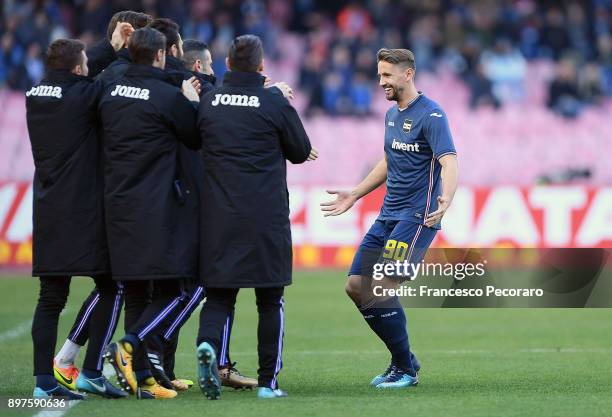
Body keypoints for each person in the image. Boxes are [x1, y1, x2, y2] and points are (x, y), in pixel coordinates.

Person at [320, 48, 458, 389]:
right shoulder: (392, 115)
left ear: (407, 75)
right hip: (387, 215)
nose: (381, 82)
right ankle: (405, 359)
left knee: (381, 285)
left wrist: (447, 198)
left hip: (416, 217)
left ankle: (404, 368)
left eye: (387, 76)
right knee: (355, 286)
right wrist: (355, 193)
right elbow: (388, 160)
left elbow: (449, 161)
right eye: (380, 75)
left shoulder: (432, 115)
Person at [195, 34, 317, 400]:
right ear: (262, 68)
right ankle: (267, 383)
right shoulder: (273, 101)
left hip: (218, 216)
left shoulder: (209, 100)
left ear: (227, 65)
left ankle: (208, 347)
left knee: (218, 297)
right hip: (266, 217)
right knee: (270, 300)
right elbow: (300, 151)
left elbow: (191, 137)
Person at [26, 34, 131, 400]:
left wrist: (106, 47)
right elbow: (103, 83)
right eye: (84, 63)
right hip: (85, 213)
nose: (89, 67)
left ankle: (43, 381)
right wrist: (120, 50)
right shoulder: (83, 97)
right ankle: (90, 371)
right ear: (76, 68)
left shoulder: (36, 94)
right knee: (110, 287)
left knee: (50, 298)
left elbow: (79, 76)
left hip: (49, 209)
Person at [52, 11, 152, 389]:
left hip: (111, 192)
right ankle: (78, 360)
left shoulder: (109, 77)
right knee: (116, 283)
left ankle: (86, 360)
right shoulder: (111, 78)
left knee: (118, 283)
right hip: (112, 195)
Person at [99, 27, 200, 400]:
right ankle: (130, 343)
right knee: (176, 289)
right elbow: (194, 137)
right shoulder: (166, 96)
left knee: (137, 291)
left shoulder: (110, 91)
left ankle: (143, 381)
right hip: (156, 206)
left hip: (115, 203)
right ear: (160, 56)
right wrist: (190, 100)